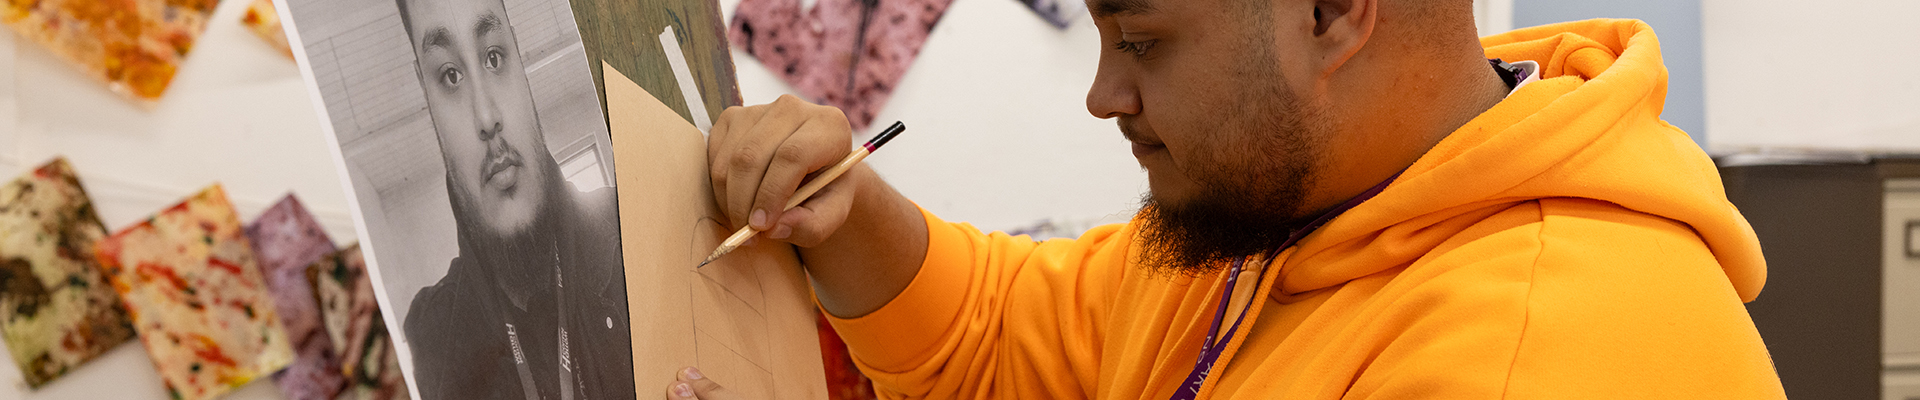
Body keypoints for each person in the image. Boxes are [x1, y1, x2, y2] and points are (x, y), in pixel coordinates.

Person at [669, 0, 1789, 398]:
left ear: (1332, 11)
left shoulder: (1536, 355)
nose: (1105, 93)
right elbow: (1005, 329)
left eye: (1144, 40)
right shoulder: (1295, 218)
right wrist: (848, 205)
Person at [390, 0, 634, 398]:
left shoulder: (635, 223)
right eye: (450, 75)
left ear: (519, 57)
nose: (486, 117)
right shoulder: (432, 339)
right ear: (426, 92)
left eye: (493, 57)